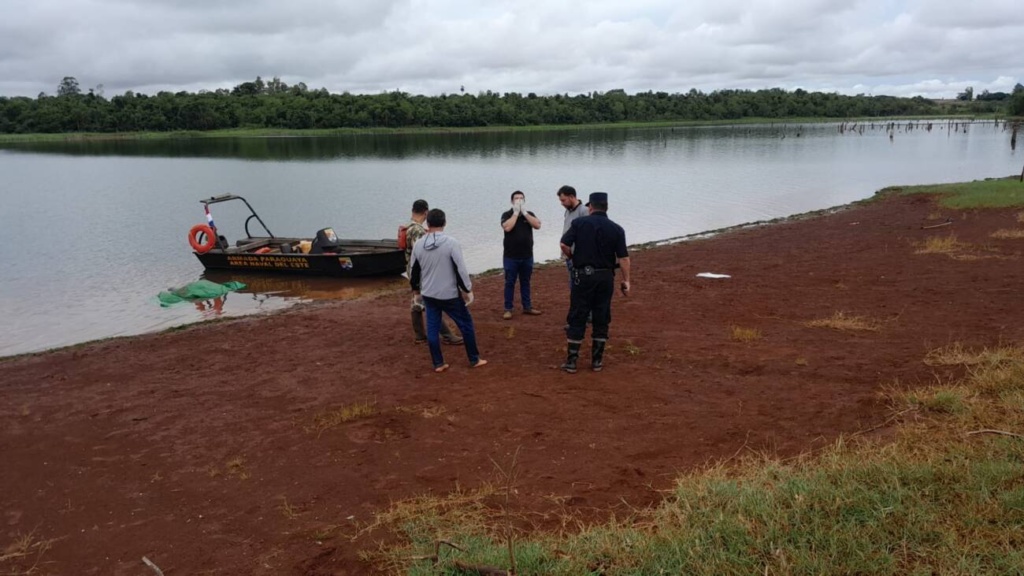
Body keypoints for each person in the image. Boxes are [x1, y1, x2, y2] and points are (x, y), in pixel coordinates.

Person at [558, 192, 631, 373]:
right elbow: (623, 258)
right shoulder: (616, 229)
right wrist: (626, 280)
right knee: (601, 315)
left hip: (582, 276)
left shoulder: (578, 223)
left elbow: (564, 244)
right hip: (605, 277)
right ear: (606, 207)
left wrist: (573, 258)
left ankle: (572, 362)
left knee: (578, 315)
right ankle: (597, 361)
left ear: (590, 207)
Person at [409, 208, 487, 373]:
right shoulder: (451, 243)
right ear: (444, 223)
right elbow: (460, 269)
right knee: (466, 324)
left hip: (429, 294)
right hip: (449, 294)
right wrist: (468, 289)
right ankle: (474, 359)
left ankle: (438, 363)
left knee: (432, 327)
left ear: (428, 223)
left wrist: (416, 292)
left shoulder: (419, 244)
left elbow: (414, 270)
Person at [405, 199, 462, 345]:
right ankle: (447, 335)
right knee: (431, 303)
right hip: (420, 272)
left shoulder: (408, 228)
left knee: (417, 302)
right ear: (426, 212)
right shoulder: (417, 230)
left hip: (411, 270)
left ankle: (419, 335)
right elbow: (423, 252)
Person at [500, 190, 543, 320]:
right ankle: (508, 309)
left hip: (527, 256)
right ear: (512, 201)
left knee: (526, 282)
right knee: (510, 282)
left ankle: (527, 307)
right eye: (516, 199)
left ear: (524, 201)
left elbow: (537, 225)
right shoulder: (506, 214)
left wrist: (524, 213)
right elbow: (507, 227)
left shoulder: (529, 214)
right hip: (510, 257)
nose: (519, 201)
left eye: (521, 199)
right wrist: (516, 213)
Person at [557, 185, 588, 290]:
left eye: (563, 200)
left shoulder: (584, 211)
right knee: (572, 282)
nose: (562, 203)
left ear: (571, 197)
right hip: (568, 254)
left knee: (579, 283)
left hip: (578, 256)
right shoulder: (567, 211)